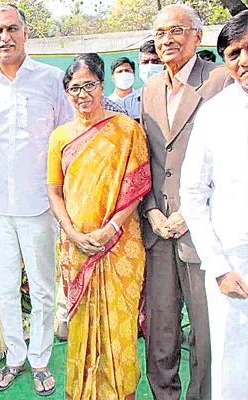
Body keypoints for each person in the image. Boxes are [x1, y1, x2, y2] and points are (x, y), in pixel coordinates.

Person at [0, 3, 73, 395]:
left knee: (44, 287)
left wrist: (64, 204)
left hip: (40, 205)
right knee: (5, 287)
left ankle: (40, 359)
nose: (4, 37)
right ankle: (15, 356)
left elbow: (68, 142)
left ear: (26, 33)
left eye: (12, 29)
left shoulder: (52, 79)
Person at [140, 5, 233, 400]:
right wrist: (151, 210)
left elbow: (231, 158)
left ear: (197, 35)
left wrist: (189, 213)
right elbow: (145, 159)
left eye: (176, 31)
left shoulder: (221, 80)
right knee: (160, 329)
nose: (167, 40)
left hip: (204, 228)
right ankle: (165, 395)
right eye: (159, 33)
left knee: (206, 330)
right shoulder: (149, 89)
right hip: (158, 229)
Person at [47, 53, 151, 400]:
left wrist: (111, 229)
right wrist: (72, 232)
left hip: (120, 245)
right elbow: (54, 189)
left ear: (101, 85)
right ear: (66, 92)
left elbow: (136, 186)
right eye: (74, 87)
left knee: (120, 328)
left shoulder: (127, 130)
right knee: (82, 330)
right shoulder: (60, 136)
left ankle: (122, 393)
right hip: (77, 246)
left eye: (89, 85)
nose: (82, 94)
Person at [180, 10, 248, 400]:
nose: (244, 61)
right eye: (234, 53)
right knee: (232, 362)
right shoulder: (215, 114)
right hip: (232, 258)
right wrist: (219, 268)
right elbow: (192, 194)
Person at [123, 40, 165, 121]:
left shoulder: (174, 97)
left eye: (155, 62)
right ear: (139, 66)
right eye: (145, 62)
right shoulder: (128, 103)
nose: (150, 66)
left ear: (164, 64)